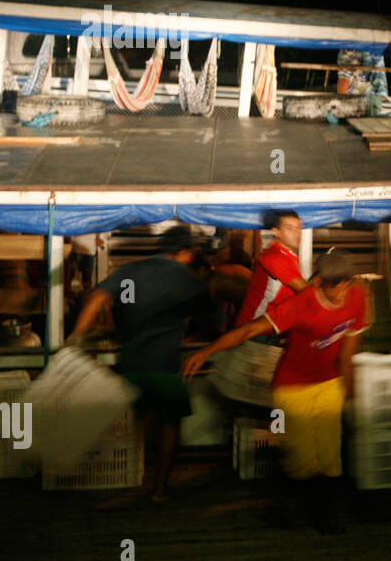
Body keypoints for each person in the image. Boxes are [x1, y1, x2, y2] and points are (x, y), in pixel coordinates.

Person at [183, 249, 366, 534]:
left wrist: (349, 389)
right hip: (293, 387)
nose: (343, 293)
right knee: (303, 458)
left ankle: (326, 516)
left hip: (329, 383)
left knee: (331, 455)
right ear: (319, 282)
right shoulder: (300, 305)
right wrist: (207, 350)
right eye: (336, 287)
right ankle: (288, 503)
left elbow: (348, 350)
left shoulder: (357, 298)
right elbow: (248, 331)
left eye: (347, 285)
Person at [67, 225, 225, 502]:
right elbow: (215, 321)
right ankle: (159, 491)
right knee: (169, 426)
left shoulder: (132, 271)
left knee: (131, 423)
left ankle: (121, 481)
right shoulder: (189, 281)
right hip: (165, 365)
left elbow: (97, 297)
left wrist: (77, 337)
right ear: (186, 253)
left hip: (130, 363)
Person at [236, 210, 310, 335]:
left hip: (271, 329)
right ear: (276, 232)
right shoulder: (274, 257)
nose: (296, 233)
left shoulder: (290, 255)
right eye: (289, 228)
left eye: (298, 228)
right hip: (254, 332)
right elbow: (307, 291)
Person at [337, 47, 387, 116]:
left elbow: (344, 79)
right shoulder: (377, 48)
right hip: (376, 100)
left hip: (356, 102)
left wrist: (338, 106)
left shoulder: (349, 48)